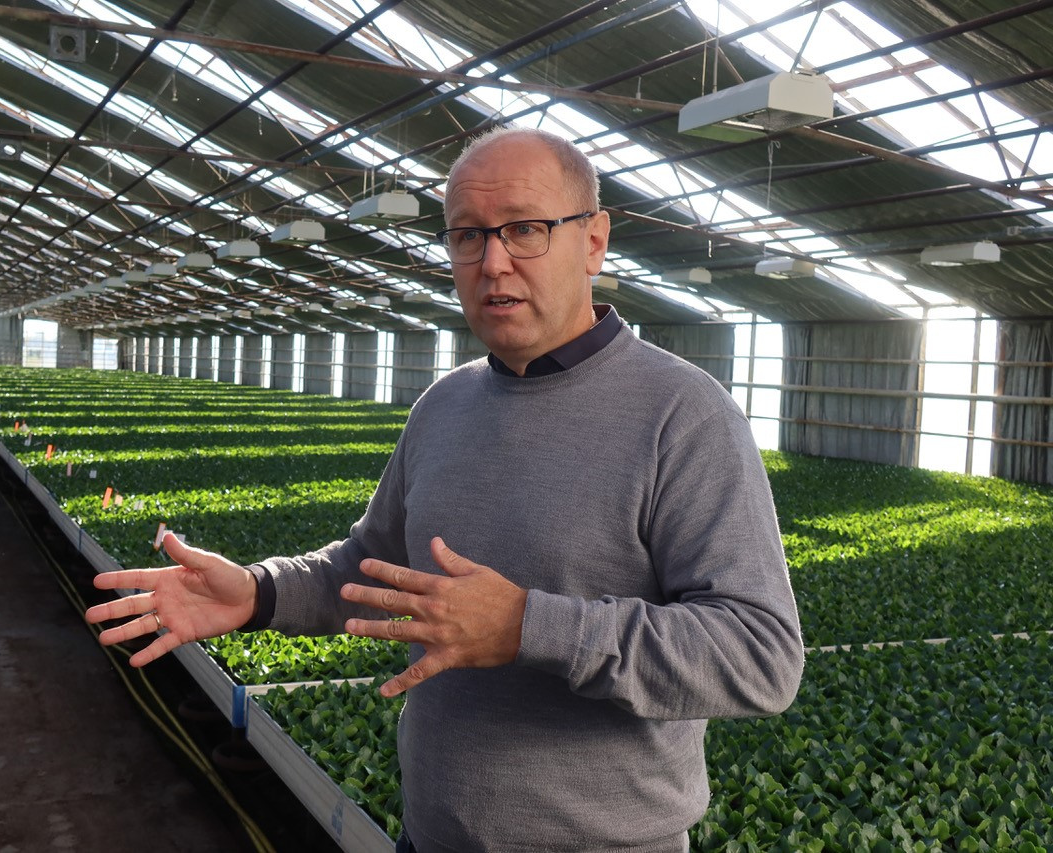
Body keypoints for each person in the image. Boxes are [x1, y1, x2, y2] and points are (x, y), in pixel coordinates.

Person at [85, 126, 804, 852]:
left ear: (593, 241)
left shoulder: (682, 414)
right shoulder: (444, 405)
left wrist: (530, 626)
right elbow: (371, 566)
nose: (493, 262)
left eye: (524, 229)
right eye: (467, 236)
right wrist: (257, 592)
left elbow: (761, 655)